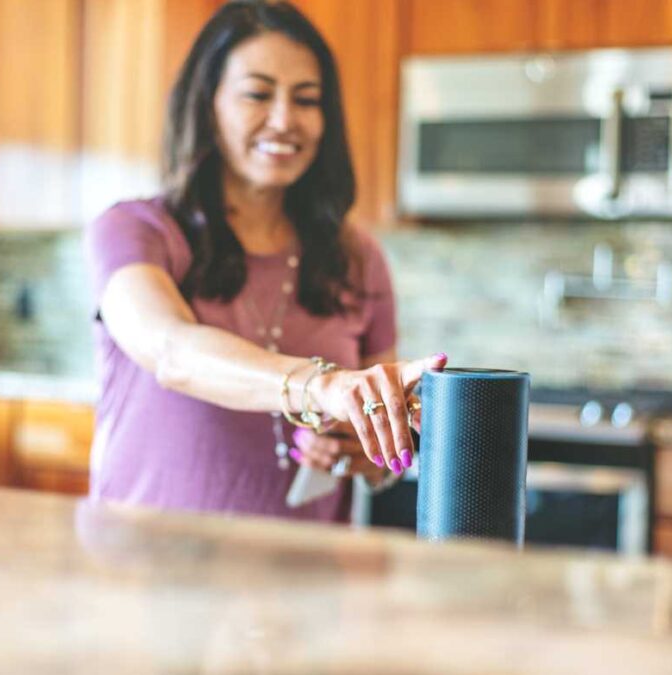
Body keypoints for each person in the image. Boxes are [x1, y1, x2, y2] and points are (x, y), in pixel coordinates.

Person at [84, 0, 445, 523]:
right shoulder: (135, 230)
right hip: (148, 577)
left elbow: (382, 455)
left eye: (306, 99)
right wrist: (320, 386)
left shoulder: (357, 257)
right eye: (257, 93)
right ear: (208, 104)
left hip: (306, 586)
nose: (284, 119)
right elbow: (170, 351)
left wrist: (362, 449)